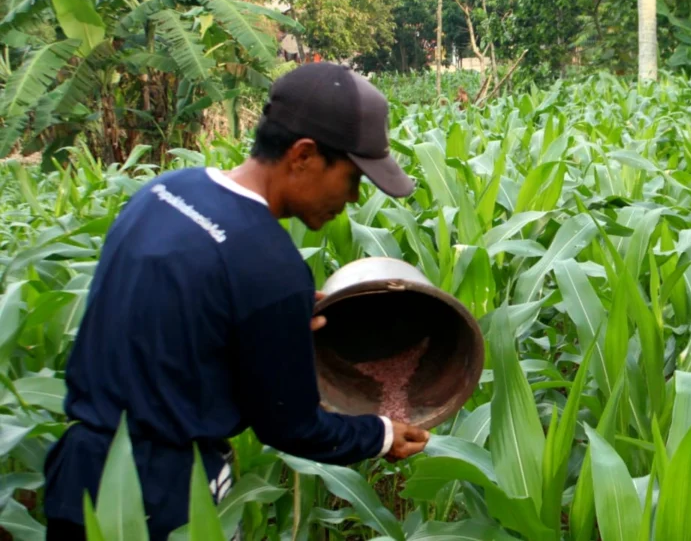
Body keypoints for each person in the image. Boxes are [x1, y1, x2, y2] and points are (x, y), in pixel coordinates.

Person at [42, 63, 429, 540]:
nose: (352, 198)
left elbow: (166, 323)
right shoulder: (271, 264)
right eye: (352, 179)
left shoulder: (163, 192)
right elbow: (291, 427)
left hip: (78, 482)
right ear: (304, 155)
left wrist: (262, 320)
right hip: (162, 504)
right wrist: (381, 434)